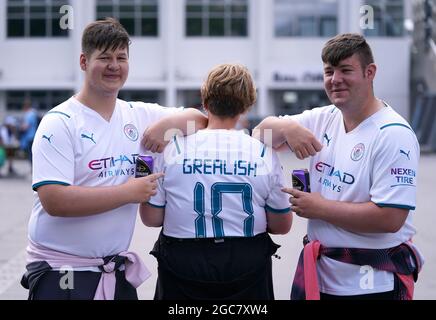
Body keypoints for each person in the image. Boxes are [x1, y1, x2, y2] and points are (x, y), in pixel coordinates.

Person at [21, 18, 206, 300]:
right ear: (84, 61)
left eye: (121, 57)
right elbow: (54, 200)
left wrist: (163, 127)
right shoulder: (59, 122)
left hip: (114, 269)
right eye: (104, 57)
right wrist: (127, 193)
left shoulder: (139, 115)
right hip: (63, 272)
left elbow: (199, 120)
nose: (114, 66)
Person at [254, 33, 423, 300]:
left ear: (370, 72)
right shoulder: (325, 117)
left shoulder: (393, 134)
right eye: (329, 71)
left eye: (346, 70)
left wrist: (319, 208)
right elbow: (259, 135)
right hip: (322, 277)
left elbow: (391, 218)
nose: (335, 80)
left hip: (371, 284)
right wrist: (287, 126)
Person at [140, 63, 293, 300]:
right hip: (246, 264)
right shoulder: (264, 152)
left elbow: (151, 219)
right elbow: (282, 226)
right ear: (248, 104)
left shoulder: (173, 148)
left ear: (205, 100)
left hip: (183, 262)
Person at [19, 99, 38, 164]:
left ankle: (32, 170)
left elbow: (26, 126)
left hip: (30, 137)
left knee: (31, 155)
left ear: (25, 106)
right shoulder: (34, 113)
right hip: (33, 136)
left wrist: (20, 128)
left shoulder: (30, 114)